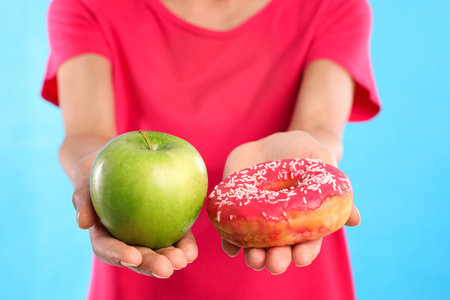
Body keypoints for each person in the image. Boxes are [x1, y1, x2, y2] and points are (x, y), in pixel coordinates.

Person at [41, 0, 380, 298]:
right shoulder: (88, 5)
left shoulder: (333, 6)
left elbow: (319, 125)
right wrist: (95, 170)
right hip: (143, 264)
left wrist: (310, 155)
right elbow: (86, 133)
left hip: (290, 264)